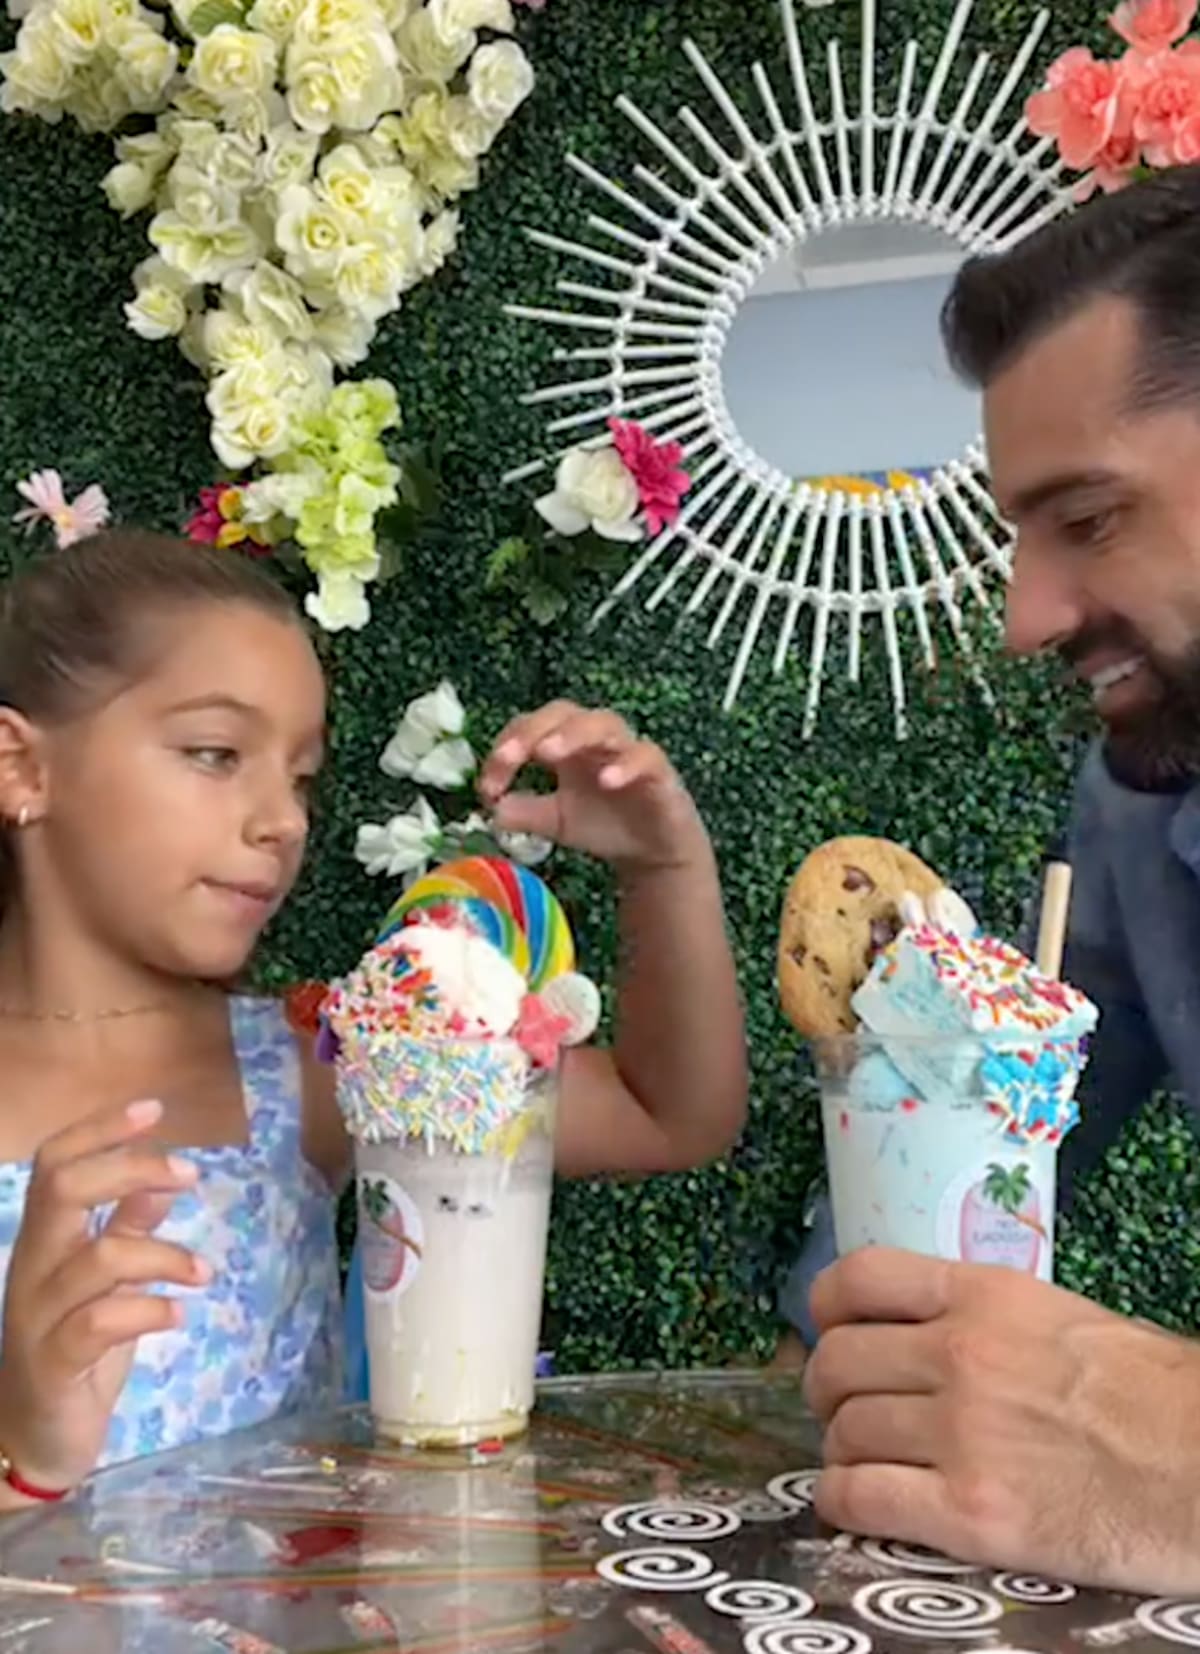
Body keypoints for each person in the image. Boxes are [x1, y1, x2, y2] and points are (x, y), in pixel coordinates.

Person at [0, 528, 746, 1511]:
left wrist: (663, 869)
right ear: (21, 767)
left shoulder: (316, 1071)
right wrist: (26, 1461)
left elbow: (669, 1113)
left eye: (301, 775)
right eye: (215, 752)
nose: (283, 818)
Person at [794, 163, 1200, 1592]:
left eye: (1087, 520)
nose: (1026, 616)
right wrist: (847, 1346)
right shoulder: (1141, 817)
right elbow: (975, 1099)